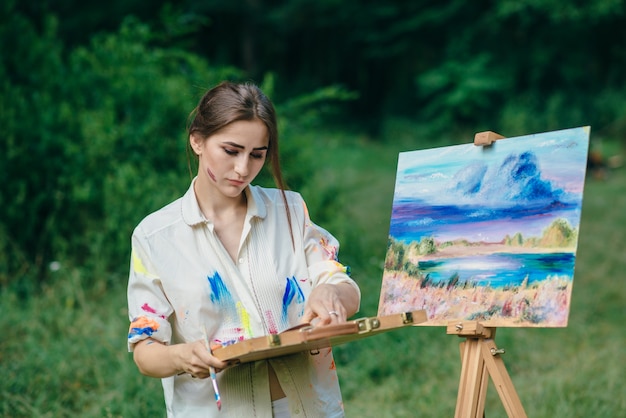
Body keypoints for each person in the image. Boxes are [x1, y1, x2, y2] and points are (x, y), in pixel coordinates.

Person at [126, 81, 361, 418]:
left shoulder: (290, 210)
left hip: (308, 408)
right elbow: (145, 349)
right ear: (197, 140)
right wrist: (183, 356)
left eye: (257, 155)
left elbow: (343, 285)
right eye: (231, 151)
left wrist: (331, 294)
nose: (243, 169)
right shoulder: (155, 237)